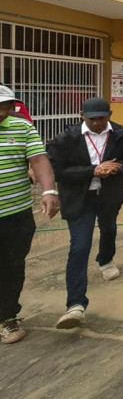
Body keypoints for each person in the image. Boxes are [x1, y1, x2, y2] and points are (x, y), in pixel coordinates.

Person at [47, 98, 123, 329]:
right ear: (82, 116)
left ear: (110, 115)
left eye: (102, 118)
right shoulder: (67, 138)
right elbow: (56, 170)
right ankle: (75, 305)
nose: (97, 123)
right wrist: (93, 170)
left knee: (108, 228)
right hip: (79, 198)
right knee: (80, 246)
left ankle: (106, 259)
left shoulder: (122, 134)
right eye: (92, 119)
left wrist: (119, 167)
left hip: (109, 195)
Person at [0, 86, 58, 344]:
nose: (3, 112)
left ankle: (6, 316)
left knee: (12, 265)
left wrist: (49, 191)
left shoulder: (22, 127)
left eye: (6, 106)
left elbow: (39, 160)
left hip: (16, 213)